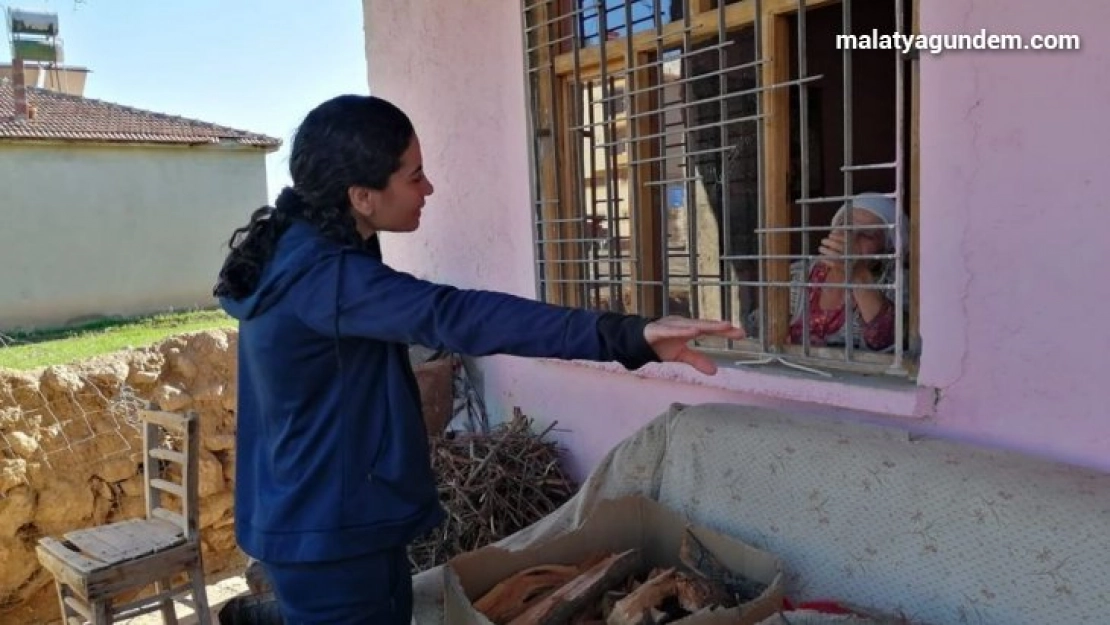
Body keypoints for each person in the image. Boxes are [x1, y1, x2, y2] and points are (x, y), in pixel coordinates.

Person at [213, 94, 744, 625]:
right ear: (362, 196)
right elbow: (459, 315)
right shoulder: (325, 276)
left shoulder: (308, 243)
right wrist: (629, 336)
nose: (429, 189)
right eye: (414, 176)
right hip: (330, 534)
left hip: (324, 516)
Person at [786, 193, 907, 351]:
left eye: (867, 235)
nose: (850, 238)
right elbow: (762, 325)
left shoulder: (898, 283)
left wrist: (857, 275)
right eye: (845, 226)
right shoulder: (797, 273)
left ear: (888, 248)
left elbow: (892, 345)